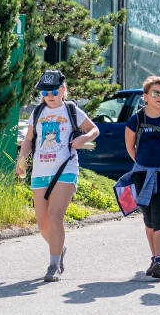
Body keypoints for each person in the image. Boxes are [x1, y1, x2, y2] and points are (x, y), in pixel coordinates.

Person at [16, 70, 99, 282]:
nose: (50, 95)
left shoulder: (71, 110)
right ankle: (58, 249)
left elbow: (94, 130)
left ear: (63, 89)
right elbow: (28, 140)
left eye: (54, 91)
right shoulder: (38, 112)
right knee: (42, 224)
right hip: (40, 172)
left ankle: (54, 264)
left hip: (65, 169)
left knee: (55, 217)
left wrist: (83, 139)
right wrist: (22, 159)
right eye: (45, 92)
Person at [119, 76, 160, 279]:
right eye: (155, 93)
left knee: (159, 215)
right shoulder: (136, 119)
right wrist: (141, 163)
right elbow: (130, 146)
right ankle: (154, 257)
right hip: (141, 172)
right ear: (145, 96)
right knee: (148, 218)